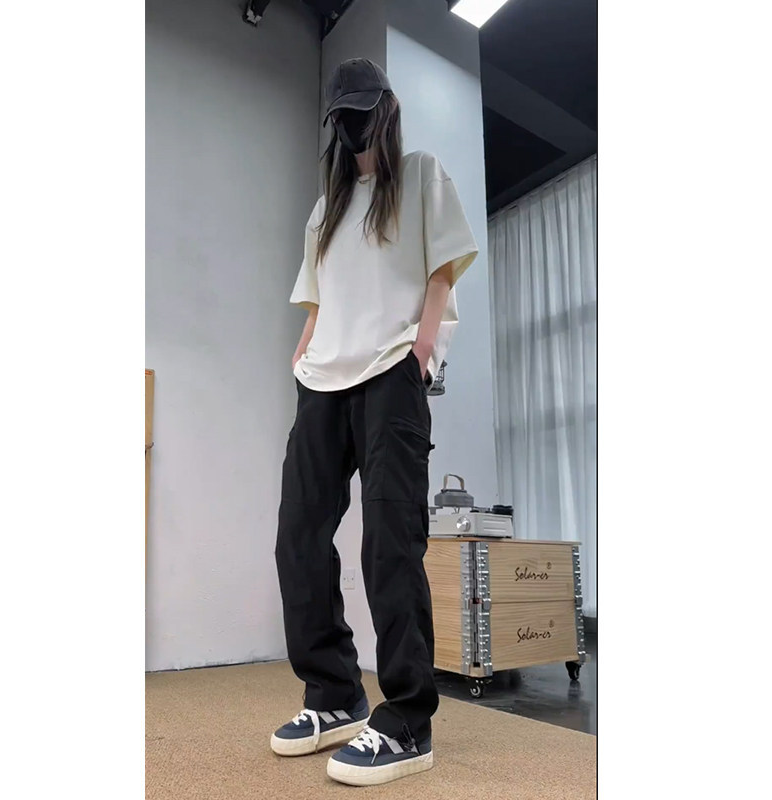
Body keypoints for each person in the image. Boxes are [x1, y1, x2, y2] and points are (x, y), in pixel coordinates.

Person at [270, 58, 478, 787]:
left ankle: (408, 719)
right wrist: (302, 355)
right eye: (345, 117)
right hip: (322, 379)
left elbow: (442, 269)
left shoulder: (420, 175)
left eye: (364, 111)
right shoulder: (324, 211)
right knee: (298, 536)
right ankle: (334, 694)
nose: (356, 126)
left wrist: (422, 352)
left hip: (392, 367)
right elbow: (318, 298)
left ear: (385, 110)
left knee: (390, 542)